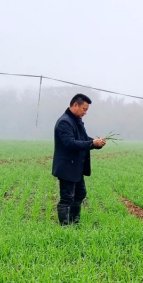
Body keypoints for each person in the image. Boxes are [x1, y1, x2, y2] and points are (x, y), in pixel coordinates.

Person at [52, 94, 106, 225]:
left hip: (76, 167)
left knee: (80, 194)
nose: (85, 112)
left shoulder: (76, 121)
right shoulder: (65, 122)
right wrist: (92, 144)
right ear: (75, 105)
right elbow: (70, 143)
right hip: (67, 168)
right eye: (84, 109)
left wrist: (95, 142)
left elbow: (83, 138)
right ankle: (65, 228)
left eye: (87, 110)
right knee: (67, 198)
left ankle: (74, 223)